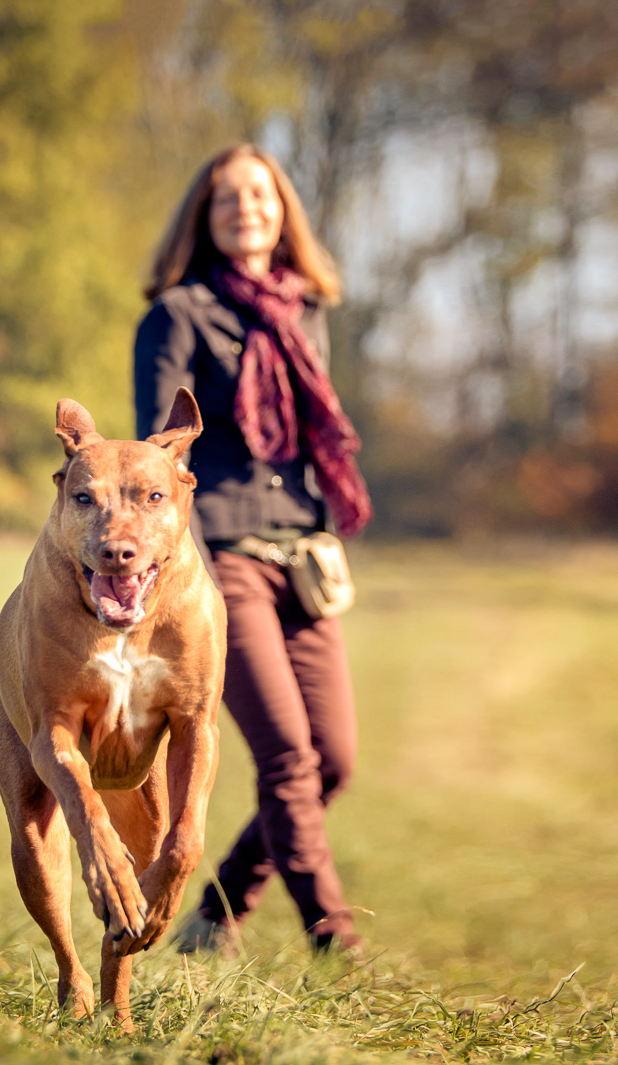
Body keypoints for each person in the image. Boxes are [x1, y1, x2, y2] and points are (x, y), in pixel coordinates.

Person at [133, 145, 373, 956]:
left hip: (302, 554)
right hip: (223, 553)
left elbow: (311, 439)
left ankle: (217, 913)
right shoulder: (178, 313)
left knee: (331, 759)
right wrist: (181, 566)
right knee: (287, 757)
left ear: (283, 212)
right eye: (229, 198)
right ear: (206, 214)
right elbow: (160, 453)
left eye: (262, 196)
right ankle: (333, 936)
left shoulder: (307, 311)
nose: (248, 209)